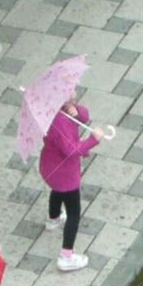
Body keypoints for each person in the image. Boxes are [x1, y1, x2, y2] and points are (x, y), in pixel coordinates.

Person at [39, 91, 106, 273]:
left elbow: (84, 116)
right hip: (65, 173)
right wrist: (93, 140)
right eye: (71, 97)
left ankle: (53, 219)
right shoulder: (59, 123)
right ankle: (67, 256)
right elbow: (71, 150)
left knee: (57, 192)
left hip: (50, 168)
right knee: (74, 212)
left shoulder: (51, 112)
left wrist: (75, 110)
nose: (74, 98)